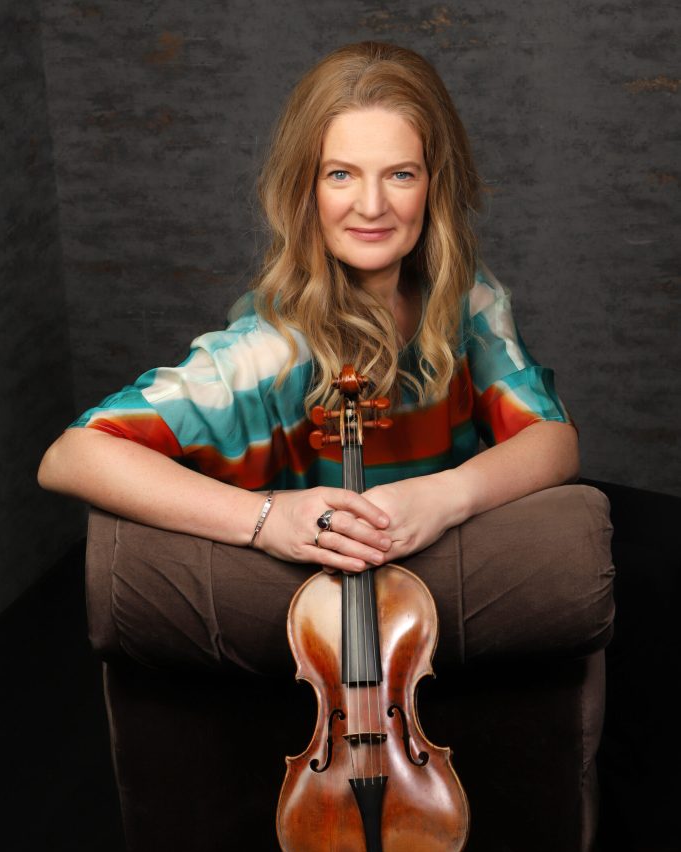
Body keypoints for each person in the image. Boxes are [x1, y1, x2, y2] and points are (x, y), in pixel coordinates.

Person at [38, 40, 582, 591]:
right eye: (341, 174)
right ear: (307, 190)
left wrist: (446, 496)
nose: (372, 205)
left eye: (401, 174)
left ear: (434, 185)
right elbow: (72, 455)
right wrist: (267, 519)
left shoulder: (462, 296)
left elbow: (554, 439)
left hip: (432, 595)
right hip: (298, 606)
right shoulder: (270, 349)